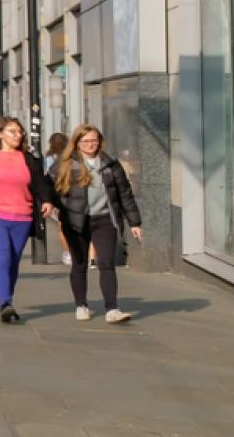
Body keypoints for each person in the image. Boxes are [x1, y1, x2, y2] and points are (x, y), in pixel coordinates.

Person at [51, 125, 143, 324]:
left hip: (104, 220)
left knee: (107, 264)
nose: (90, 144)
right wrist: (57, 206)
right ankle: (81, 305)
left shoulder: (110, 165)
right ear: (77, 143)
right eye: (85, 141)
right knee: (80, 264)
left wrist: (134, 222)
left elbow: (124, 194)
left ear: (100, 141)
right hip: (76, 221)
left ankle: (112, 309)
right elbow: (50, 187)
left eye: (94, 140)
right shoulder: (66, 164)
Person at [0, 116, 56, 323]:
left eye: (19, 132)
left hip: (23, 218)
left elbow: (41, 184)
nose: (17, 135)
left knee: (14, 262)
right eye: (12, 131)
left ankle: (7, 298)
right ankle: (5, 303)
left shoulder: (29, 158)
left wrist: (47, 200)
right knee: (2, 258)